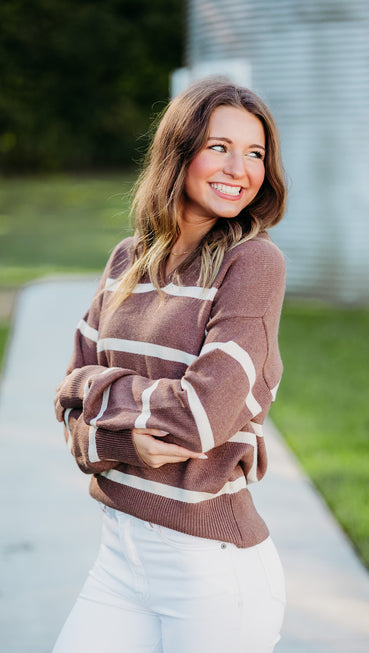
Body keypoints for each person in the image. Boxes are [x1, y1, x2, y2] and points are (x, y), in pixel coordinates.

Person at [53, 76, 287, 653]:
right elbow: (67, 405)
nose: (239, 168)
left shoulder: (252, 263)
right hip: (118, 559)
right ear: (178, 151)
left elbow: (200, 420)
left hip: (210, 572)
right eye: (219, 147)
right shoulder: (127, 260)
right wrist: (126, 433)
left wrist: (101, 402)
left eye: (255, 154)